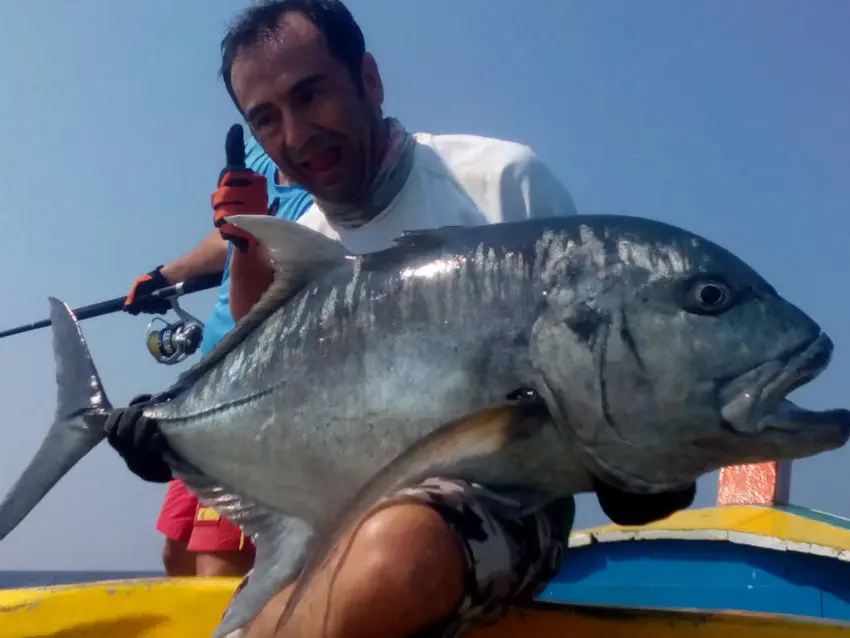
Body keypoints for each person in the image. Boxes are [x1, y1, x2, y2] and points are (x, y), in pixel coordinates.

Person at [107, 1, 694, 636]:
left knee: (394, 551)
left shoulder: (501, 183)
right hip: (331, 511)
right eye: (267, 120)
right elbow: (283, 421)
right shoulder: (301, 245)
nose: (297, 135)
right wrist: (171, 438)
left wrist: (642, 458)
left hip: (504, 506)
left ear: (370, 80)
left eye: (312, 95)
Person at [121, 134, 313, 579]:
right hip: (208, 378)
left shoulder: (327, 181)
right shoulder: (260, 159)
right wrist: (166, 275)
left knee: (220, 565)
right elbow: (225, 235)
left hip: (260, 397)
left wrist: (252, 237)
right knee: (178, 554)